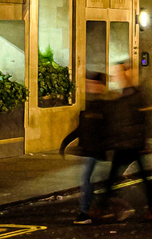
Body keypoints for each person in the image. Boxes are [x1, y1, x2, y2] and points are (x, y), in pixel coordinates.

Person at [98, 63, 152, 222]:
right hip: (123, 144)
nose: (118, 76)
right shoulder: (120, 95)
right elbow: (116, 121)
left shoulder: (138, 95)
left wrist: (145, 142)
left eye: (121, 72)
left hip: (136, 145)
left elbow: (146, 121)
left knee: (144, 178)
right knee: (113, 177)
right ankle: (103, 207)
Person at [60, 71, 110, 225]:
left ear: (100, 86)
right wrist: (64, 143)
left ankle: (86, 212)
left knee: (88, 181)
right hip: (89, 151)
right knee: (90, 182)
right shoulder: (90, 105)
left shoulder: (105, 106)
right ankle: (93, 210)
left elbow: (110, 130)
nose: (89, 86)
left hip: (97, 151)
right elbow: (81, 129)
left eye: (92, 83)